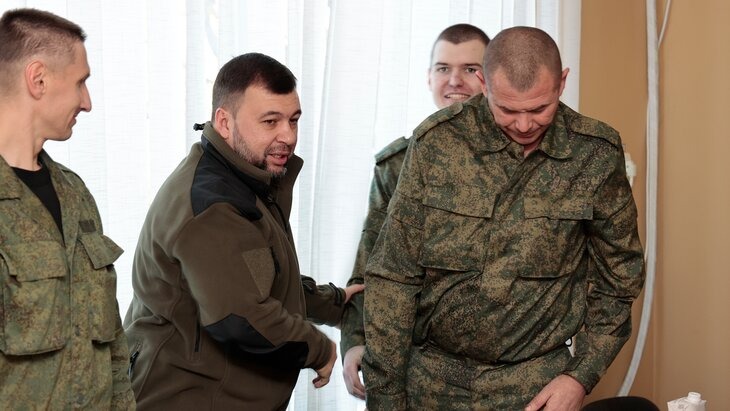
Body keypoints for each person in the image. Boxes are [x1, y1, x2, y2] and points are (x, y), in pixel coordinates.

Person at [362, 26, 645, 411]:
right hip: (431, 383)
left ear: (562, 83)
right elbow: (394, 276)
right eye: (508, 110)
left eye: (539, 109)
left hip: (537, 388)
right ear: (484, 83)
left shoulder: (594, 154)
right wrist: (386, 398)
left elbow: (620, 278)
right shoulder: (436, 144)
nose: (524, 125)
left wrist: (580, 375)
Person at [124, 52, 363, 410]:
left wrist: (334, 303)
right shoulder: (214, 205)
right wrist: (320, 348)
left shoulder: (246, 179)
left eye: (293, 120)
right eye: (270, 121)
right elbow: (241, 318)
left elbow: (256, 276)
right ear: (224, 122)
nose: (288, 136)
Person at [340, 23, 490, 400]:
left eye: (470, 69)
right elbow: (371, 259)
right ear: (428, 77)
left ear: (491, 78)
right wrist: (355, 341)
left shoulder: (523, 153)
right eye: (443, 68)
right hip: (420, 367)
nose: (454, 80)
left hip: (504, 373)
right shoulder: (398, 164)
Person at [0, 8, 135, 409]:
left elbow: (112, 347)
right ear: (38, 79)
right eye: (80, 82)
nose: (87, 102)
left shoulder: (75, 194)